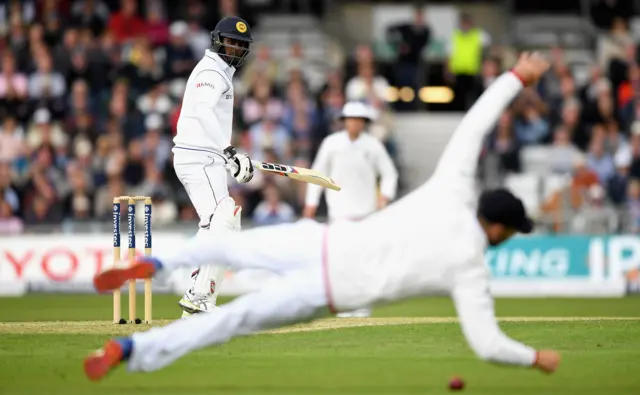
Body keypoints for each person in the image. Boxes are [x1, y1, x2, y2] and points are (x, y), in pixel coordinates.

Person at [84, 53, 561, 381]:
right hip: (329, 288)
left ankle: (158, 265)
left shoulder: (453, 189)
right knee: (235, 317)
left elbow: (474, 123)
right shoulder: (470, 269)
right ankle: (130, 351)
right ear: (498, 229)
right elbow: (488, 345)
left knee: (230, 240)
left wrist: (516, 77)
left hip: (323, 240)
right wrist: (534, 357)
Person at [171, 16, 255, 317]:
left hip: (208, 158)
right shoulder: (211, 71)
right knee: (223, 218)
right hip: (199, 156)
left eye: (240, 45)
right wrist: (230, 151)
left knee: (222, 225)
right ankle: (198, 295)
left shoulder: (221, 71)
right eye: (231, 42)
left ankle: (199, 299)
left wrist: (227, 157)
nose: (234, 49)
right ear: (218, 40)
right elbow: (203, 110)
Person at [304, 101, 398, 318]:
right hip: (339, 213)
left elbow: (389, 173)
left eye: (359, 120)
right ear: (344, 121)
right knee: (340, 260)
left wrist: (385, 195)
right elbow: (317, 174)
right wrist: (311, 203)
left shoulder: (372, 145)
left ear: (364, 123)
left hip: (366, 213)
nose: (354, 124)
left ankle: (362, 303)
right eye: (350, 120)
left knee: (363, 260)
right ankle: (343, 303)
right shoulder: (331, 143)